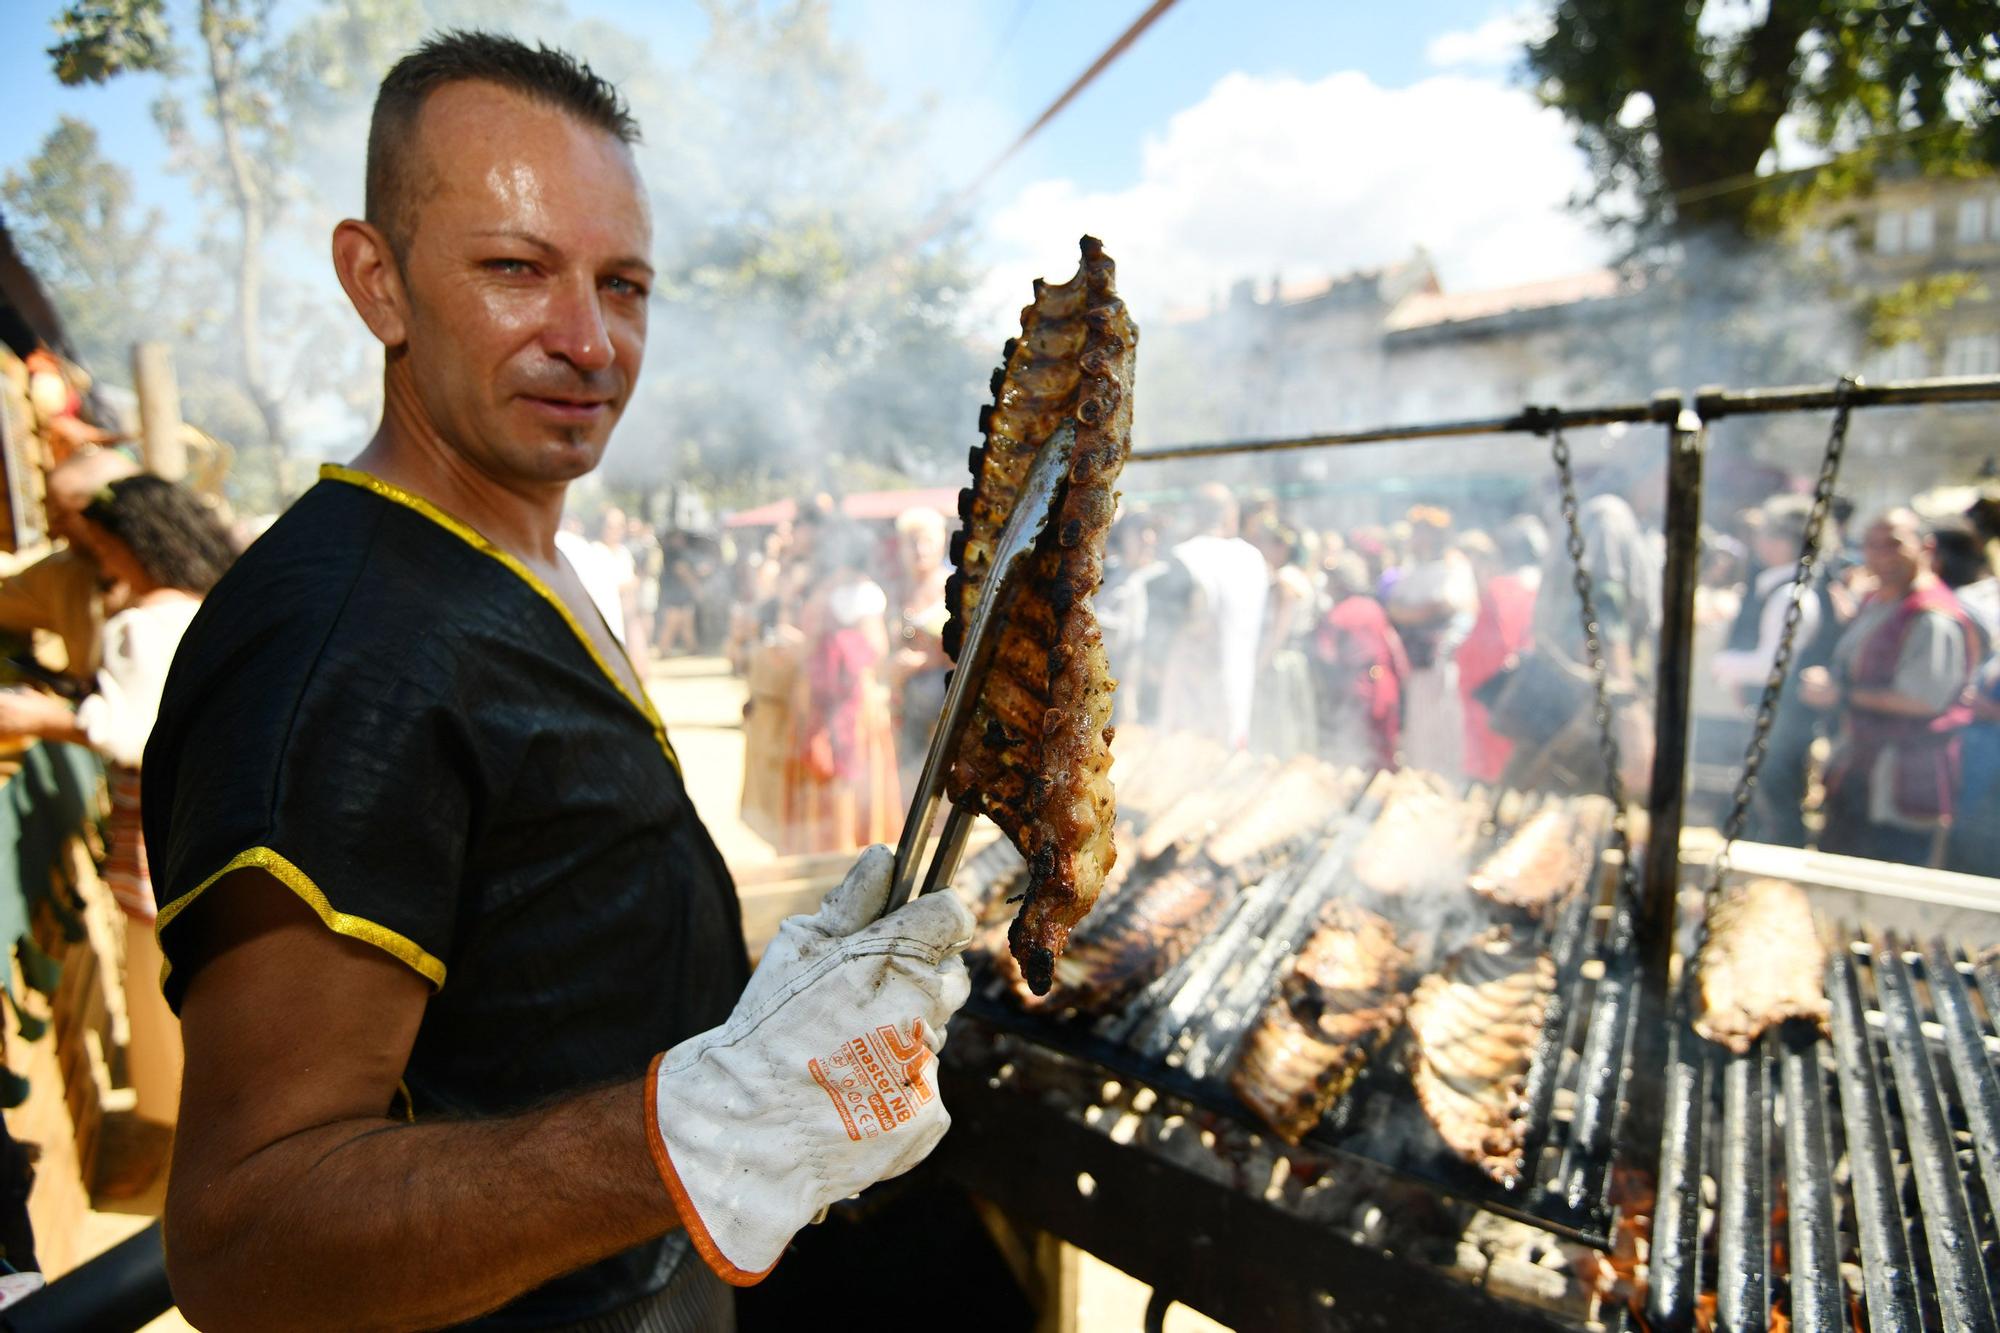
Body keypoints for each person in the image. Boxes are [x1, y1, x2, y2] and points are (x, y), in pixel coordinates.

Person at [144, 35, 973, 1331]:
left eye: (624, 284)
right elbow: (244, 1243)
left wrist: (753, 1015)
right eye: (517, 270)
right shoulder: (341, 653)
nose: (588, 341)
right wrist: (689, 1131)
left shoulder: (519, 552)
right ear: (379, 280)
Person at [0, 474, 235, 1194]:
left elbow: (131, 731)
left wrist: (37, 717)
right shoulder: (219, 602)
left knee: (160, 988)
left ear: (136, 545)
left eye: (105, 547)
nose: (103, 564)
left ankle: (188, 1168)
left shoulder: (144, 621)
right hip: (212, 824)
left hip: (158, 835)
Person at [1800, 509, 1977, 867]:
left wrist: (1841, 695)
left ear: (1924, 547)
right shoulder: (1877, 601)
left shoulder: (1932, 617)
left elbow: (1923, 698)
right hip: (1858, 771)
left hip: (1900, 781)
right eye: (1872, 546)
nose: (1882, 555)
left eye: (1894, 544)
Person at [1709, 496, 1831, 847]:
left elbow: (1773, 664)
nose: (1758, 543)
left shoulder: (1789, 596)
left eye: (1764, 535)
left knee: (1777, 803)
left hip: (1784, 722)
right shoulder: (1779, 589)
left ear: (1784, 541)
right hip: (1773, 719)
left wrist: (1723, 664)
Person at [784, 520, 899, 853]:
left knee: (832, 770)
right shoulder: (862, 592)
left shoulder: (827, 590)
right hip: (851, 697)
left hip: (829, 697)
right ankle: (850, 842)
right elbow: (877, 650)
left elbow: (811, 648)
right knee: (848, 771)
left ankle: (827, 844)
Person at [0, 448, 142, 683]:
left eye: (63, 516)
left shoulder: (159, 596)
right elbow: (16, 579)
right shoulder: (72, 569)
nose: (54, 529)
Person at [1152, 483, 1268, 748]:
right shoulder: (1254, 559)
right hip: (1238, 690)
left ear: (1194, 513)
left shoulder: (1183, 557)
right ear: (1231, 514)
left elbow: (1167, 637)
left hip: (1189, 698)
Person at [1386, 505, 1478, 774]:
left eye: (1421, 532)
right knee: (1418, 732)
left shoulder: (1453, 566)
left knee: (1442, 729)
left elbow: (1443, 605)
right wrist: (1407, 614)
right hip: (1414, 664)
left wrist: (1410, 614)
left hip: (1440, 664)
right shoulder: (1411, 568)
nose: (1415, 538)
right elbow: (1393, 607)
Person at [1456, 521, 1542, 784]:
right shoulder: (1532, 586)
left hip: (1493, 693)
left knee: (1493, 766)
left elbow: (1494, 646)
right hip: (1520, 688)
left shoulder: (1501, 589)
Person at [1312, 551, 1409, 771]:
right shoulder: (1373, 607)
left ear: (1339, 584)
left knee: (1355, 756)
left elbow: (1325, 657)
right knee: (1384, 754)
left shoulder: (1338, 614)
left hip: (1357, 690)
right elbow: (1396, 654)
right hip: (1386, 686)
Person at [885, 507, 950, 789]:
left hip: (944, 700)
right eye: (912, 542)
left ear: (942, 542)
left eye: (927, 541)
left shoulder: (953, 588)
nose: (919, 549)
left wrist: (923, 661)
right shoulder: (896, 591)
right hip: (904, 699)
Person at [1246, 513, 1318, 758]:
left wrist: (1260, 665)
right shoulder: (1296, 575)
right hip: (1292, 658)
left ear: (1282, 546)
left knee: (1279, 726)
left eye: (1266, 543)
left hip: (1280, 661)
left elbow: (1279, 631)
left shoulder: (1286, 579)